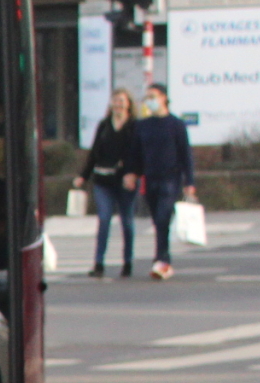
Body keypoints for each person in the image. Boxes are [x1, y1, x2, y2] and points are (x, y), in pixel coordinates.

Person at [133, 84, 196, 280]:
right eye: (147, 97)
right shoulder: (143, 125)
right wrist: (133, 173)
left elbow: (186, 153)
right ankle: (162, 258)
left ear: (164, 98)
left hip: (171, 176)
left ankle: (162, 259)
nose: (149, 100)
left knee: (163, 217)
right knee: (157, 219)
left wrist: (190, 181)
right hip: (150, 177)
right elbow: (136, 154)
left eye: (153, 96)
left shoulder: (175, 124)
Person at [76, 88, 141, 277]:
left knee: (127, 221)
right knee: (104, 219)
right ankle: (98, 263)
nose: (118, 104)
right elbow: (94, 152)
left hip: (125, 181)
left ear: (128, 103)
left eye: (122, 100)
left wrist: (133, 173)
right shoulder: (104, 125)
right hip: (103, 180)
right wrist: (84, 175)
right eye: (115, 100)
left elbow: (138, 154)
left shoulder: (134, 126)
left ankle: (127, 262)